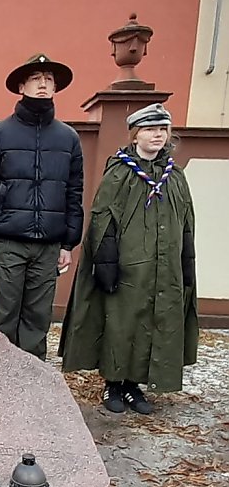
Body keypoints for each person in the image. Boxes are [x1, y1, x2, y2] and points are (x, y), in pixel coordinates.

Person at [59, 103, 198, 414]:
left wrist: (186, 263)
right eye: (150, 129)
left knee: (152, 323)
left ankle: (134, 385)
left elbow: (187, 223)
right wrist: (106, 264)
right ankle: (113, 383)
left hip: (165, 269)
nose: (157, 135)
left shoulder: (174, 176)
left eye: (162, 129)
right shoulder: (120, 173)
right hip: (127, 269)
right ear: (135, 135)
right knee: (122, 324)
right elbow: (102, 220)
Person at [0, 54, 84, 360]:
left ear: (55, 87)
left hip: (49, 246)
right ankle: (2, 375)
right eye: (35, 78)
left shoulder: (68, 139)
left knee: (38, 318)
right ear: (21, 87)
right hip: (8, 243)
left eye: (48, 79)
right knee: (5, 315)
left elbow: (74, 192)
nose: (42, 84)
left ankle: (33, 377)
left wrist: (68, 244)